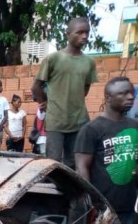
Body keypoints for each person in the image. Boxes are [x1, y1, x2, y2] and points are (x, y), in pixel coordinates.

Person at [74, 77, 138, 224]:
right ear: (108, 97)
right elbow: (82, 167)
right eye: (123, 94)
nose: (130, 97)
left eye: (131, 93)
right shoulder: (92, 129)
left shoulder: (135, 126)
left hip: (131, 205)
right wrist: (93, 204)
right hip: (104, 208)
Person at [32, 17, 98, 168]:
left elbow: (85, 88)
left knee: (73, 163)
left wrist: (74, 102)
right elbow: (36, 87)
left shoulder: (89, 62)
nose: (85, 36)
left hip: (80, 121)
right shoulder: (54, 58)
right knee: (53, 163)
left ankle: (70, 192)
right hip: (56, 121)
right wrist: (45, 103)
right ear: (67, 34)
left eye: (87, 33)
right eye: (80, 32)